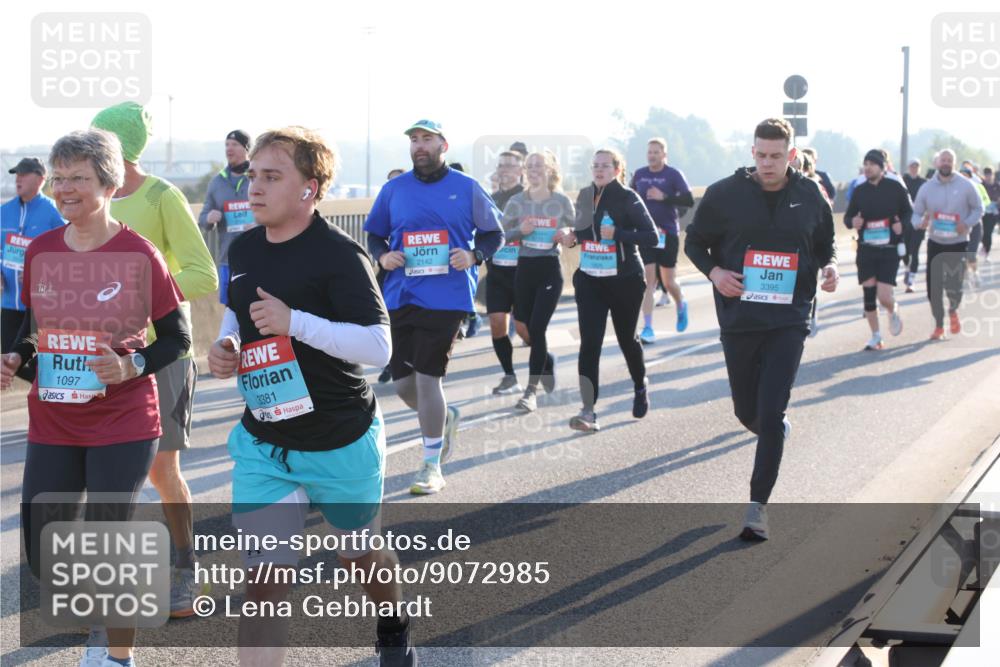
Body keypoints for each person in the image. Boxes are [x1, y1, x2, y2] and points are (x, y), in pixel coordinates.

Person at [207, 126, 416, 666]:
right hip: (265, 442)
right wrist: (226, 343)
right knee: (263, 584)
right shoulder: (246, 243)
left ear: (310, 187)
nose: (254, 187)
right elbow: (237, 310)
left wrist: (293, 322)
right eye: (253, 175)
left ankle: (392, 623)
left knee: (358, 556)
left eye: (272, 176)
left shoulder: (339, 256)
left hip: (339, 440)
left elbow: (376, 346)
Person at [2, 128, 191, 667]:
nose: (65, 189)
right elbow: (37, 331)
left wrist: (129, 364)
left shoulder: (138, 252)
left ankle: (115, 656)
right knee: (43, 549)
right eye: (59, 178)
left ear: (108, 183)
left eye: (78, 178)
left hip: (124, 417)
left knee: (107, 536)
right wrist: (17, 359)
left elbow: (176, 339)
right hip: (55, 418)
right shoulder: (40, 250)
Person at [91, 102, 219, 618]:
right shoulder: (85, 199)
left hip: (160, 353)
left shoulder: (162, 197)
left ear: (116, 147)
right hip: (96, 357)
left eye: (96, 140)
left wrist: (141, 305)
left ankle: (186, 572)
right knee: (98, 475)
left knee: (163, 471)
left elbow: (203, 275)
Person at [685, 118, 839, 541]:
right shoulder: (724, 194)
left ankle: (757, 508)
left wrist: (830, 268)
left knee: (771, 412)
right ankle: (772, 428)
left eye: (776, 156)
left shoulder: (810, 196)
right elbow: (694, 242)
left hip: (790, 318)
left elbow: (826, 245)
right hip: (740, 319)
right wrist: (715, 272)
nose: (767, 163)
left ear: (791, 155)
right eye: (761, 155)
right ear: (752, 153)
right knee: (746, 412)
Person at [364, 120, 503, 495]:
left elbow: (495, 233)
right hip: (400, 294)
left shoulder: (466, 188)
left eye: (426, 139)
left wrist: (474, 255)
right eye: (414, 140)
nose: (419, 146)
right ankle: (445, 419)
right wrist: (384, 255)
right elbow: (374, 233)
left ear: (443, 144)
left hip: (446, 296)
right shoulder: (394, 190)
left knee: (428, 378)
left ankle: (430, 465)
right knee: (404, 385)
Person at [557, 148, 658, 432]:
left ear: (617, 169)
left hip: (625, 279)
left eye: (605, 166)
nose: (599, 170)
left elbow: (651, 237)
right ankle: (588, 411)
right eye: (595, 166)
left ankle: (640, 385)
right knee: (590, 343)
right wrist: (571, 236)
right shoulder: (585, 195)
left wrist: (620, 235)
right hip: (591, 279)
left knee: (627, 339)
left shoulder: (628, 198)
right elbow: (584, 231)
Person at [500, 150, 574, 412]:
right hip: (525, 270)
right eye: (529, 166)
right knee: (524, 327)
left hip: (549, 269)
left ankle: (530, 392)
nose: (533, 170)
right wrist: (521, 231)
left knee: (538, 327)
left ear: (550, 171)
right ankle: (546, 361)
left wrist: (567, 233)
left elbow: (576, 235)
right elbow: (500, 236)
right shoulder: (516, 202)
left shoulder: (562, 201)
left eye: (538, 166)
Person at [912, 149, 984, 340]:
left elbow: (979, 209)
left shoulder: (966, 185)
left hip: (958, 242)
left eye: (949, 160)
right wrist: (919, 223)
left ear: (954, 163)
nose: (946, 163)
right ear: (937, 163)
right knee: (933, 288)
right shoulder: (927, 188)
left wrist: (966, 223)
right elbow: (916, 213)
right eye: (943, 160)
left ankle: (953, 310)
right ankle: (938, 325)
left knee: (954, 286)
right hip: (935, 242)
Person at [844, 149, 913, 350]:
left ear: (881, 168)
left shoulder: (895, 187)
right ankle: (875, 336)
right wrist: (852, 221)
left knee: (884, 296)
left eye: (872, 164)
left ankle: (892, 309)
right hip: (866, 248)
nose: (867, 168)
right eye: (865, 164)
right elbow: (848, 218)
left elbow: (909, 211)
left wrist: (903, 225)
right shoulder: (859, 190)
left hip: (889, 248)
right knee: (868, 293)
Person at [1, 158, 65, 369]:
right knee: (9, 358)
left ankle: (49, 393)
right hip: (10, 301)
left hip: (40, 301)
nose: (18, 179)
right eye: (16, 174)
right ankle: (44, 390)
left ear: (40, 179)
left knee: (38, 359)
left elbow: (66, 253)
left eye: (24, 174)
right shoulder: (4, 211)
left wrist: (41, 273)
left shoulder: (54, 213)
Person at [631, 138, 694, 344]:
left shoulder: (673, 174)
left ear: (664, 155)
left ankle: (680, 303)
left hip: (668, 234)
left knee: (669, 281)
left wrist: (664, 197)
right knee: (649, 282)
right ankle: (648, 327)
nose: (652, 155)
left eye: (656, 152)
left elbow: (688, 201)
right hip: (645, 234)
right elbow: (629, 199)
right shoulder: (639, 175)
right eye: (649, 152)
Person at [485, 150, 526, 394]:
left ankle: (545, 361)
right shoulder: (490, 199)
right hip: (498, 272)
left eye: (511, 166)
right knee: (497, 323)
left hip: (524, 272)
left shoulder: (529, 198)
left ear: (521, 171)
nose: (505, 170)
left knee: (525, 330)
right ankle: (510, 376)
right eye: (502, 166)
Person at [199, 130, 255, 304]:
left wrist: (258, 225)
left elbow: (275, 211)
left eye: (235, 144)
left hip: (257, 256)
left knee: (256, 307)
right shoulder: (217, 182)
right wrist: (209, 218)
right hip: (228, 259)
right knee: (231, 307)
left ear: (246, 149)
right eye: (227, 145)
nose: (229, 149)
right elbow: (202, 220)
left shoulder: (257, 178)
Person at [376, 168, 407, 384]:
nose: (392, 186)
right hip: (389, 268)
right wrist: (383, 255)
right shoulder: (384, 204)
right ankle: (390, 363)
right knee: (386, 314)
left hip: (414, 270)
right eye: (388, 183)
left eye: (396, 182)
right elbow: (375, 236)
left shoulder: (415, 204)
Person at [960, 166, 990, 288]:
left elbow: (986, 201)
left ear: (970, 175)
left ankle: (975, 273)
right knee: (962, 253)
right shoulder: (956, 188)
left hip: (976, 224)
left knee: (971, 253)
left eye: (965, 174)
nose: (963, 177)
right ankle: (966, 276)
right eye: (961, 174)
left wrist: (976, 206)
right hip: (962, 225)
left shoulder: (978, 186)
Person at [902, 159, 928, 292]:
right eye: (912, 166)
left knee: (915, 251)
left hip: (919, 220)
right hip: (905, 221)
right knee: (904, 252)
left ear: (919, 168)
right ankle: (907, 268)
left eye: (916, 166)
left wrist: (927, 219)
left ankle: (911, 280)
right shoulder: (902, 181)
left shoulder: (924, 183)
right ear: (908, 167)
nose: (914, 168)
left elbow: (930, 202)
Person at [982, 166, 999, 261]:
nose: (988, 177)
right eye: (986, 175)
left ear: (993, 175)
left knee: (989, 232)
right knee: (983, 232)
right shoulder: (981, 186)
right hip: (982, 212)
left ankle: (986, 251)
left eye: (990, 175)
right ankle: (984, 247)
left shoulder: (997, 186)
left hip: (993, 213)